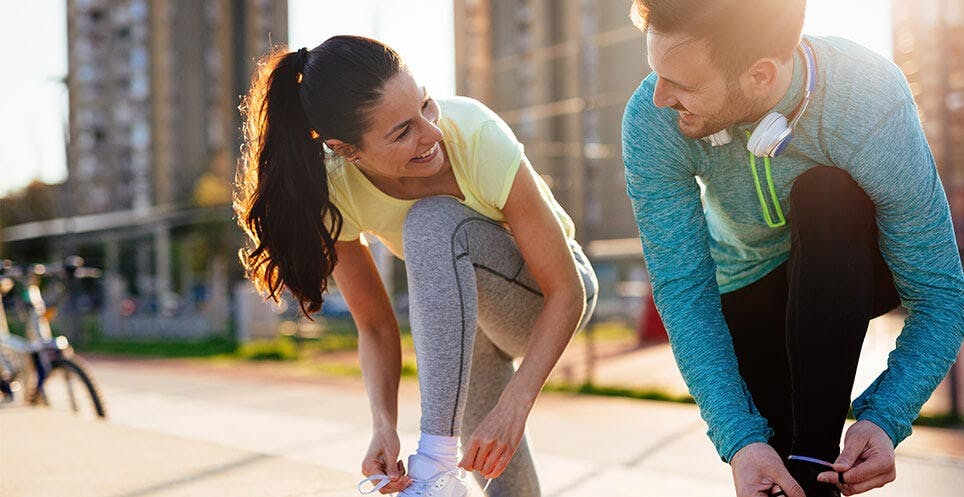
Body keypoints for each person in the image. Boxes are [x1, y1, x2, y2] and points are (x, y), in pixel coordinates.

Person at [620, 1, 964, 496]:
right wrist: (738, 439)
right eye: (656, 73)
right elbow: (684, 293)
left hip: (854, 266)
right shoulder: (652, 123)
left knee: (826, 192)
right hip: (748, 287)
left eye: (682, 84)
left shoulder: (866, 96)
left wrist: (886, 418)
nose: (658, 98)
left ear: (760, 75)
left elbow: (940, 294)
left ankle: (814, 457)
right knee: (777, 473)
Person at [234, 35, 597, 497]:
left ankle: (433, 468)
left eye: (426, 105)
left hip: (548, 297)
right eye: (403, 131)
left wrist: (514, 406)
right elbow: (376, 327)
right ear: (347, 150)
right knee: (510, 491)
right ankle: (442, 471)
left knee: (430, 221)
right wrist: (382, 424)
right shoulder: (334, 189)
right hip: (471, 332)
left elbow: (567, 291)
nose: (432, 133)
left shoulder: (476, 134)